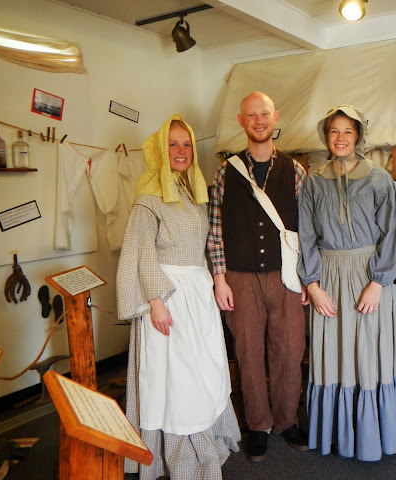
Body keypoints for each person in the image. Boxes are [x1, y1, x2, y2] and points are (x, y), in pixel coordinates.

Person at [116, 114, 240, 480]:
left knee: (205, 370)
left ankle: (209, 434)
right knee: (176, 378)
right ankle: (179, 454)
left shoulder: (192, 191)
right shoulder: (148, 199)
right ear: (159, 150)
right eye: (173, 144)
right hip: (168, 297)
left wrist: (215, 282)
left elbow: (202, 247)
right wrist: (155, 301)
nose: (182, 151)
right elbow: (140, 252)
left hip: (196, 295)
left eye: (186, 144)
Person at [298, 105, 396, 461]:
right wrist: (313, 284)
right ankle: (335, 434)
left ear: (359, 136)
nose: (341, 138)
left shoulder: (378, 178)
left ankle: (372, 435)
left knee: (367, 352)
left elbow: (392, 232)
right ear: (326, 136)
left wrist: (378, 281)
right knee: (332, 352)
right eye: (334, 131)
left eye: (348, 131)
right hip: (328, 275)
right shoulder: (313, 181)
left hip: (367, 273)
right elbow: (305, 236)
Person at [207, 91, 309, 462]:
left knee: (289, 351)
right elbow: (214, 228)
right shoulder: (225, 171)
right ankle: (259, 425)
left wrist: (307, 279)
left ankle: (286, 420)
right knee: (248, 354)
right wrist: (219, 278)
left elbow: (306, 229)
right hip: (240, 277)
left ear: (275, 116)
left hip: (286, 277)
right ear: (241, 121)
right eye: (252, 115)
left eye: (264, 114)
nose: (259, 120)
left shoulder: (296, 171)